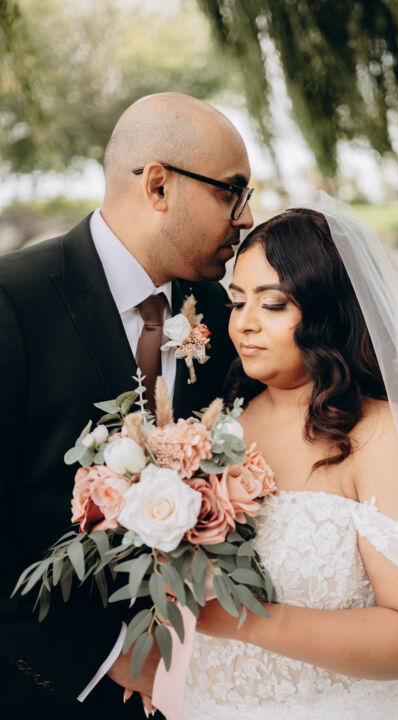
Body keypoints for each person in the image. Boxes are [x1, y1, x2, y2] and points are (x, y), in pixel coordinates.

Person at [0, 92, 253, 719]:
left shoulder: (226, 317)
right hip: (45, 694)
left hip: (201, 688)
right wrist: (104, 655)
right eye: (232, 192)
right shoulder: (13, 303)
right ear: (159, 185)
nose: (246, 217)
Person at [184, 195, 398, 719]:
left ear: (329, 311)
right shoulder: (216, 426)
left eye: (273, 304)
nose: (245, 323)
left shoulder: (386, 437)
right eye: (237, 301)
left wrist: (246, 619)